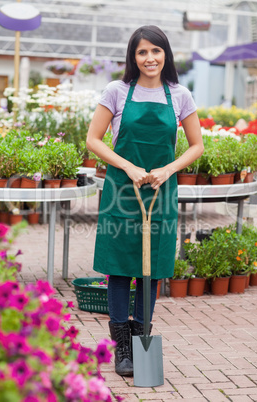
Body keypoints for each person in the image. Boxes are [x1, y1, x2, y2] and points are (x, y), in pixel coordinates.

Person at [86, 25, 204, 377]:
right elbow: (94, 139)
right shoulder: (117, 91)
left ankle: (142, 340)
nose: (149, 58)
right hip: (123, 189)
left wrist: (168, 169)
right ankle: (122, 347)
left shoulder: (180, 94)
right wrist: (128, 166)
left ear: (165, 54)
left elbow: (197, 145)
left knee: (151, 269)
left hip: (161, 191)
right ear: (133, 57)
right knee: (121, 267)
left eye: (156, 51)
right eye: (142, 52)